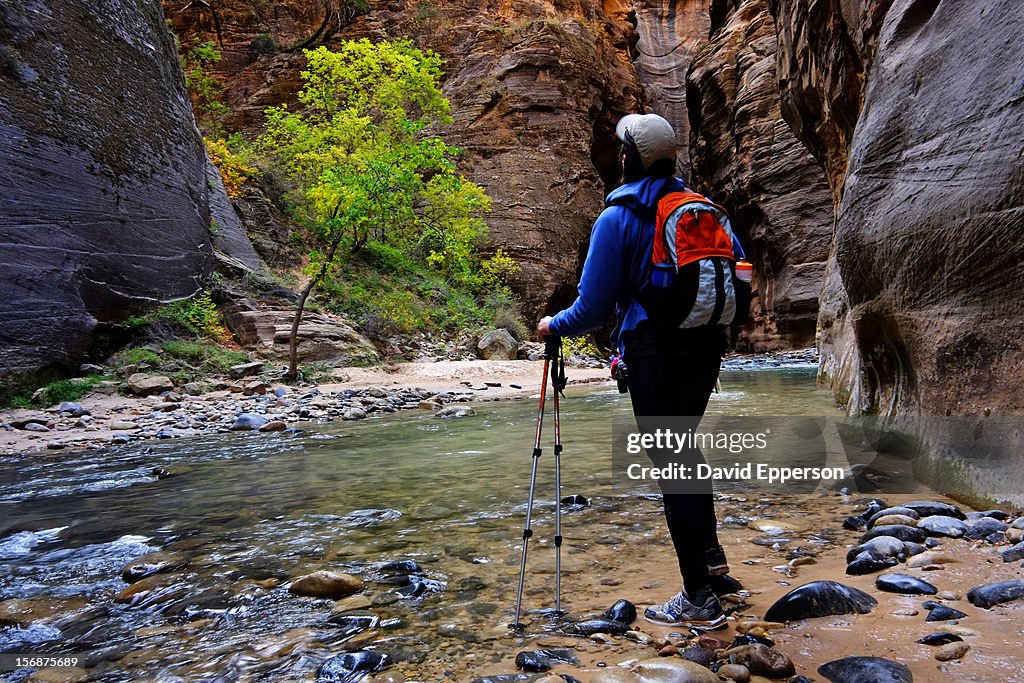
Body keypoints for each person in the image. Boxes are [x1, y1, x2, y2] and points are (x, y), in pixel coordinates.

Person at [537, 113, 738, 628]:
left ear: (628, 158)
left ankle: (698, 596)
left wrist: (551, 325)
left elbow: (593, 310)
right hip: (706, 347)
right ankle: (714, 568)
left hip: (654, 352)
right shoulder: (707, 211)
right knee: (686, 451)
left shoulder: (617, 219)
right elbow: (738, 274)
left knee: (673, 463)